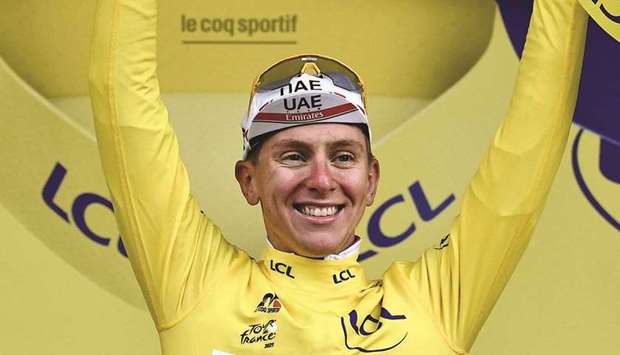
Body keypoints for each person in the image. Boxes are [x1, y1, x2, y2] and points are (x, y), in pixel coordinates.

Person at [89, 0, 587, 354]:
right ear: (249, 180)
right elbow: (121, 103)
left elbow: (529, 145)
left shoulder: (435, 304)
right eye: (293, 155)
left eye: (344, 156)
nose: (322, 179)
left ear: (371, 181)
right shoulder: (195, 286)